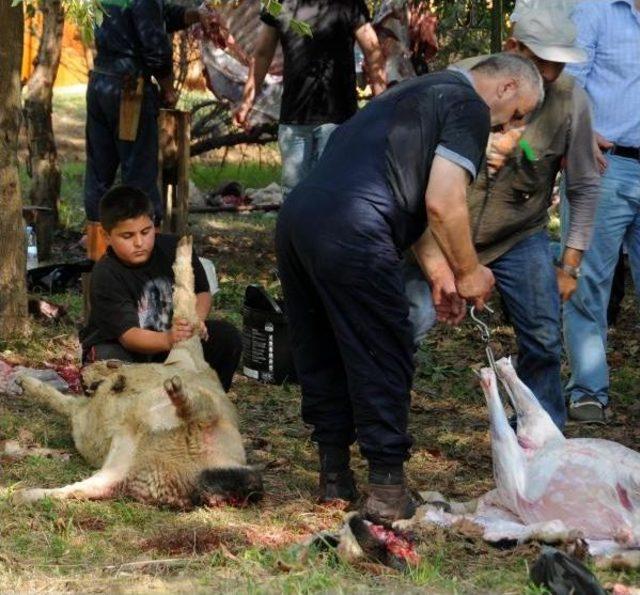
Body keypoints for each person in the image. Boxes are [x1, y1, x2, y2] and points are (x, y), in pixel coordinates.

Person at [276, 54, 543, 526]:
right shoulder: (468, 107)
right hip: (354, 227)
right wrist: (469, 271)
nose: (510, 128)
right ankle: (385, 488)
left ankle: (333, 473)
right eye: (518, 113)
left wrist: (439, 271)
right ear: (505, 87)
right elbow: (443, 200)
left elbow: (400, 187)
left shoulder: (411, 92)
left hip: (299, 219)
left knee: (321, 347)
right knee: (382, 349)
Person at [405, 6, 600, 430]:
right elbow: (415, 177)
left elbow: (583, 186)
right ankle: (380, 423)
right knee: (403, 325)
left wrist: (570, 264)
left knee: (544, 339)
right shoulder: (458, 83)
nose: (550, 73)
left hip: (517, 237)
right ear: (513, 48)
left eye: (558, 63)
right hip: (440, 235)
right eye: (541, 60)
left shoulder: (571, 101)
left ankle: (543, 435)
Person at [80, 185, 242, 393]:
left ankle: (207, 400)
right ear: (106, 236)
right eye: (127, 236)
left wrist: (196, 320)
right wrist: (168, 339)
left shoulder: (176, 248)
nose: (139, 242)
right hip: (129, 349)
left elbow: (202, 292)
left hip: (170, 345)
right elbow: (128, 335)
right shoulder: (106, 274)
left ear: (154, 225)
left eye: (145, 232)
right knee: (110, 362)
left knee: (226, 337)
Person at [84, 1, 213, 261]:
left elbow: (157, 13)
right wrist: (167, 87)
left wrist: (194, 15)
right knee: (139, 175)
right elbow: (154, 44)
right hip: (129, 88)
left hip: (99, 82)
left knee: (98, 173)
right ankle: (142, 264)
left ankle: (97, 260)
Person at [561, 0, 640, 423]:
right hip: (606, 165)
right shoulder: (595, 10)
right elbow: (567, 82)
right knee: (589, 281)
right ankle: (589, 391)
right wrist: (581, 133)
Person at [234, 0, 387, 199]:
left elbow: (372, 52)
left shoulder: (349, 4)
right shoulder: (277, 4)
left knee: (329, 192)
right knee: (295, 194)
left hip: (337, 119)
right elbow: (263, 53)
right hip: (294, 119)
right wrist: (246, 103)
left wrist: (382, 105)